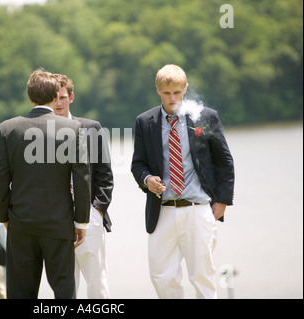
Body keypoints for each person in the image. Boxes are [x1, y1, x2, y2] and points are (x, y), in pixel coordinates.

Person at [131, 64, 235, 299]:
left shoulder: (206, 117)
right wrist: (147, 180)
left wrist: (222, 202)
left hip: (198, 209)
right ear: (158, 90)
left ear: (185, 88)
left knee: (202, 277)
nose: (172, 98)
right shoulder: (145, 121)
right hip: (162, 210)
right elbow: (138, 164)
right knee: (161, 276)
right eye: (167, 93)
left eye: (177, 92)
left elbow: (224, 162)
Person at [0, 69, 91, 299]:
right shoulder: (72, 129)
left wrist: (4, 218)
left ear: (29, 97)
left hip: (20, 224)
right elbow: (82, 178)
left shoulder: (8, 129)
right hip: (59, 223)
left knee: (20, 293)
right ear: (56, 97)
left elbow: (0, 180)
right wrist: (81, 221)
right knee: (64, 292)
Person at [53, 73, 114, 299]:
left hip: (90, 219)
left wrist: (96, 212)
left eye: (62, 97)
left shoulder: (91, 128)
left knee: (97, 286)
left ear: (71, 97)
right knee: (64, 290)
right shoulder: (40, 132)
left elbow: (105, 176)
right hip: (56, 221)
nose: (58, 103)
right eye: (53, 98)